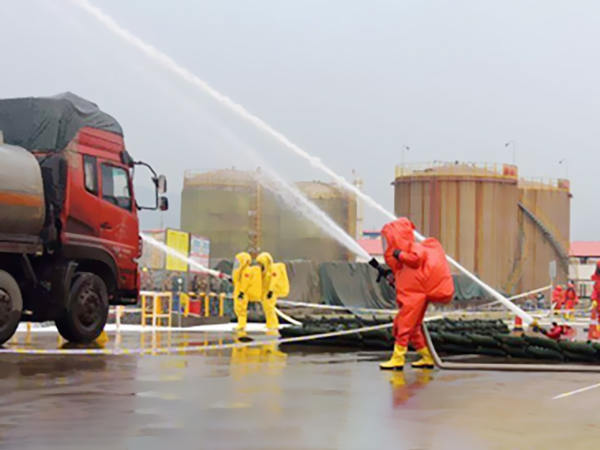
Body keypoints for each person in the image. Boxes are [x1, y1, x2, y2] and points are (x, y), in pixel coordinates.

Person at [379, 217, 454, 371]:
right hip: (415, 293)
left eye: (389, 239)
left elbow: (416, 259)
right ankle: (426, 357)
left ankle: (398, 358)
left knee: (404, 324)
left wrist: (399, 254)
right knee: (414, 327)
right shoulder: (404, 260)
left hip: (415, 295)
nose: (386, 244)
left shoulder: (413, 250)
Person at [256, 252, 290, 335]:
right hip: (265, 292)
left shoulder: (273, 269)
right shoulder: (264, 271)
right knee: (267, 308)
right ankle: (269, 323)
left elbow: (274, 280)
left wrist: (271, 290)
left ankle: (273, 324)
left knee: (270, 308)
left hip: (271, 292)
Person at [232, 252, 262, 335]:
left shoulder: (246, 270)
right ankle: (241, 324)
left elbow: (245, 282)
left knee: (241, 308)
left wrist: (242, 292)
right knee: (238, 308)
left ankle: (241, 325)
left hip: (242, 292)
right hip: (239, 291)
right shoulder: (241, 271)